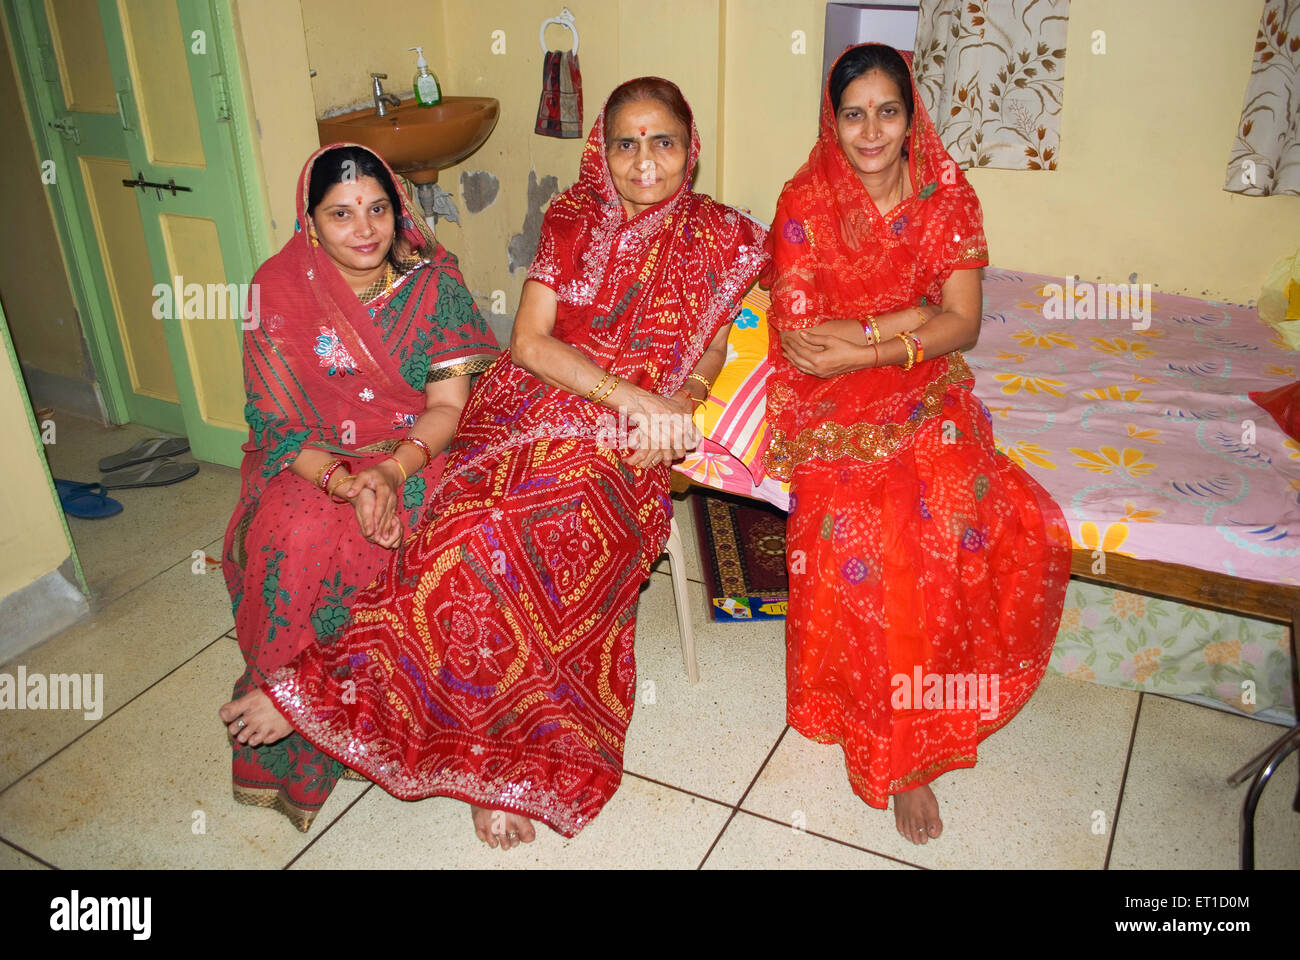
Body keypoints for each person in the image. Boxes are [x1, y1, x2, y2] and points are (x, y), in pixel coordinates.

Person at [223, 78, 767, 847]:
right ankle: (350, 701)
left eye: (663, 142)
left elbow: (716, 332)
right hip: (533, 403)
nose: (644, 160)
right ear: (601, 151)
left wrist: (683, 397)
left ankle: (491, 755)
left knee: (543, 533)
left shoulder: (724, 236)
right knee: (474, 521)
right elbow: (530, 344)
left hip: (623, 442)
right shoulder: (572, 218)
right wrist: (630, 399)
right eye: (625, 143)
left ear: (692, 149)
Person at [762, 43, 1071, 845]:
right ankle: (901, 755)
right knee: (867, 529)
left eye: (887, 112)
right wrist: (914, 315)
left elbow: (962, 321)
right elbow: (801, 337)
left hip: (917, 378)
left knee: (960, 507)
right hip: (825, 397)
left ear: (911, 118)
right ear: (834, 121)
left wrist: (875, 339)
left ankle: (917, 733)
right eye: (854, 113)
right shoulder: (804, 201)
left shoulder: (947, 194)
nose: (871, 131)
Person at [218, 143, 499, 831]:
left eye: (376, 209)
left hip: (416, 449)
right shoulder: (277, 289)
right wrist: (345, 482)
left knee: (441, 546)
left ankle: (382, 720)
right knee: (294, 533)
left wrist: (388, 472)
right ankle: (297, 703)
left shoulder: (434, 287)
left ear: (397, 210)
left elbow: (447, 408)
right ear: (309, 221)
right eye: (340, 214)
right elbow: (280, 427)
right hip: (313, 459)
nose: (365, 229)